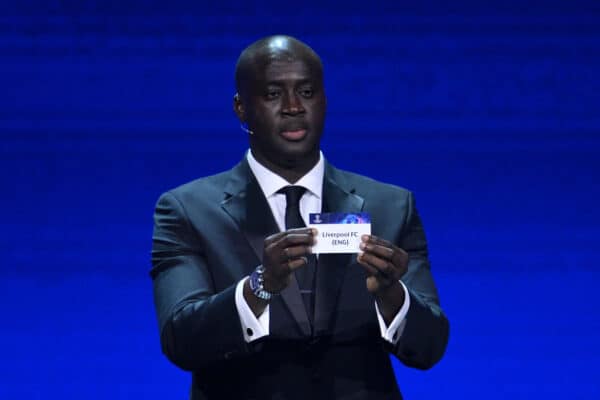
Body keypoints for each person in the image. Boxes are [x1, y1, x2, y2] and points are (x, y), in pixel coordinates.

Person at [151, 35, 449, 400]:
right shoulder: (187, 210)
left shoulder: (391, 205)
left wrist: (391, 296)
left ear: (325, 101)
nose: (293, 107)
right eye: (274, 94)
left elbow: (431, 347)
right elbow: (182, 341)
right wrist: (258, 287)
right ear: (241, 108)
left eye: (306, 93)